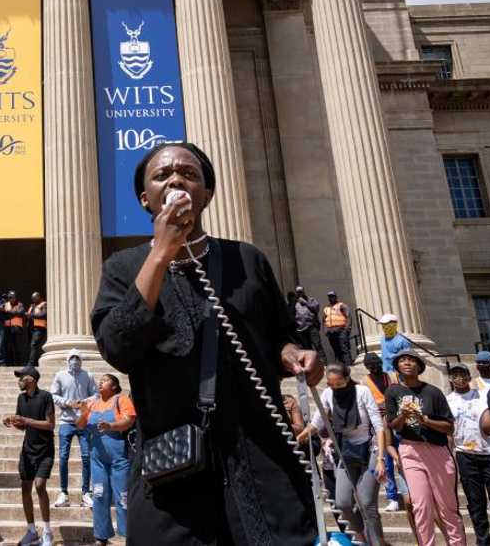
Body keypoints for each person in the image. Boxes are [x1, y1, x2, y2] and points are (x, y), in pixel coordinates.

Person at [91, 142, 320, 544]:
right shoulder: (124, 268)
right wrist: (161, 253)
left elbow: (278, 336)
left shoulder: (247, 260)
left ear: (207, 194)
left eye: (188, 173)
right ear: (146, 198)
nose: (176, 179)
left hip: (260, 458)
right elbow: (118, 346)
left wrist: (294, 355)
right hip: (172, 467)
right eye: (163, 175)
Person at [297, 363, 386, 546]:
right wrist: (302, 435)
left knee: (367, 503)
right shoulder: (328, 394)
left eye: (339, 384)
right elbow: (317, 422)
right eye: (331, 384)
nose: (335, 388)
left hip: (369, 450)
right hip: (345, 452)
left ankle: (377, 542)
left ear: (347, 379)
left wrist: (380, 459)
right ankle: (361, 539)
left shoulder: (362, 392)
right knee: (343, 502)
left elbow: (378, 426)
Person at [385, 348, 464, 546]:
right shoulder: (393, 391)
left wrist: (425, 420)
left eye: (412, 360)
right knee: (420, 506)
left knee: (448, 508)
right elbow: (393, 424)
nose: (407, 363)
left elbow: (449, 427)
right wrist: (403, 415)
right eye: (402, 360)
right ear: (397, 367)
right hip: (410, 450)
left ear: (419, 366)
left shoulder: (433, 392)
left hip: (437, 451)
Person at [75, 374, 135, 546]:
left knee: (122, 496)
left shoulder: (120, 400)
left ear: (115, 386)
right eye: (100, 380)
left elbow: (129, 420)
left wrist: (111, 426)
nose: (101, 382)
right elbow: (80, 425)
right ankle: (101, 536)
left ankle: (129, 535)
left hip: (118, 457)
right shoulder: (93, 403)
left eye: (105, 380)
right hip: (98, 459)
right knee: (99, 495)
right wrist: (84, 412)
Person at [5, 365, 55, 546]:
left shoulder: (45, 397)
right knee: (25, 488)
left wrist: (27, 421)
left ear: (31, 380)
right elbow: (23, 425)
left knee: (40, 485)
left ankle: (47, 531)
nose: (19, 381)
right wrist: (13, 422)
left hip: (45, 449)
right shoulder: (21, 398)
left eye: (21, 377)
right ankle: (32, 531)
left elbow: (50, 425)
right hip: (28, 450)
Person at [446, 363, 490, 546]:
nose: (459, 378)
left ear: (469, 376)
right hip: (465, 454)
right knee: (476, 504)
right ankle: (483, 542)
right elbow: (449, 432)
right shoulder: (448, 400)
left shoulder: (482, 395)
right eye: (454, 375)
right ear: (450, 379)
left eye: (462, 374)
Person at [50, 348, 95, 508]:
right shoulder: (60, 375)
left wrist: (84, 402)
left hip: (84, 421)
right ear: (67, 360)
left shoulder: (88, 375)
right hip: (66, 421)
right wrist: (67, 402)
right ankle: (63, 492)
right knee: (63, 457)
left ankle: (86, 493)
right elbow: (53, 395)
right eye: (72, 358)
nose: (74, 361)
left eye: (77, 358)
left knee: (86, 456)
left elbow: (95, 394)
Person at [362, 351, 401, 512]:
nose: (375, 368)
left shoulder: (392, 377)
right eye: (371, 366)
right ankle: (392, 496)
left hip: (397, 420)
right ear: (367, 367)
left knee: (403, 456)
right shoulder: (364, 383)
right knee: (385, 460)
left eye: (377, 364)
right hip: (379, 424)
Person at [291, 286, 322, 354]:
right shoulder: (295, 302)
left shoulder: (311, 300)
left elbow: (316, 309)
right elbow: (291, 313)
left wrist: (305, 303)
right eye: (298, 292)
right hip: (301, 329)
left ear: (303, 292)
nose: (299, 294)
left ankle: (323, 363)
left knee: (317, 345)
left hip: (311, 326)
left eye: (301, 292)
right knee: (306, 348)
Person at [27, 292, 47, 367]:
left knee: (34, 344)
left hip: (39, 328)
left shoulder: (44, 304)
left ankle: (31, 363)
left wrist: (31, 315)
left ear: (39, 297)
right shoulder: (32, 306)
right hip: (31, 328)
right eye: (32, 298)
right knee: (33, 346)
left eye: (35, 298)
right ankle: (35, 362)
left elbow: (44, 314)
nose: (33, 300)